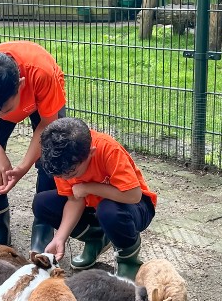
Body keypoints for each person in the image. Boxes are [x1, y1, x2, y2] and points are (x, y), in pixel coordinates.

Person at [0, 41, 66, 250]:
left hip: (43, 106)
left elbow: (47, 125)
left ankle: (44, 224)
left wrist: (22, 168)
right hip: (2, 100)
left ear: (20, 84)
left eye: (5, 110)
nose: (1, 117)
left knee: (52, 158)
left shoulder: (41, 73)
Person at [32, 117, 157, 279]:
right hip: (93, 207)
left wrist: (88, 187)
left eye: (72, 174)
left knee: (108, 210)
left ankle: (128, 260)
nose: (66, 178)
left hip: (135, 206)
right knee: (42, 203)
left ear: (91, 153)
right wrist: (59, 238)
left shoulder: (108, 149)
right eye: (61, 176)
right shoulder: (62, 161)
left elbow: (133, 195)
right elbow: (74, 199)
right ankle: (97, 238)